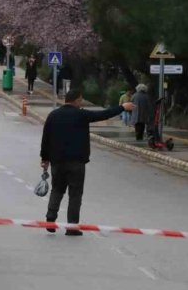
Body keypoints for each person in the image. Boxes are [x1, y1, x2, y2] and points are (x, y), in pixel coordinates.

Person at [40, 89, 135, 236]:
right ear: (76, 100)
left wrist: (44, 159)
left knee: (57, 190)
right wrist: (122, 107)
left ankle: (50, 218)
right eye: (80, 100)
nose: (81, 103)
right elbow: (103, 115)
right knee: (75, 194)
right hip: (77, 162)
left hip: (57, 161)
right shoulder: (81, 114)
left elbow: (46, 138)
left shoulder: (53, 115)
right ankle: (71, 227)